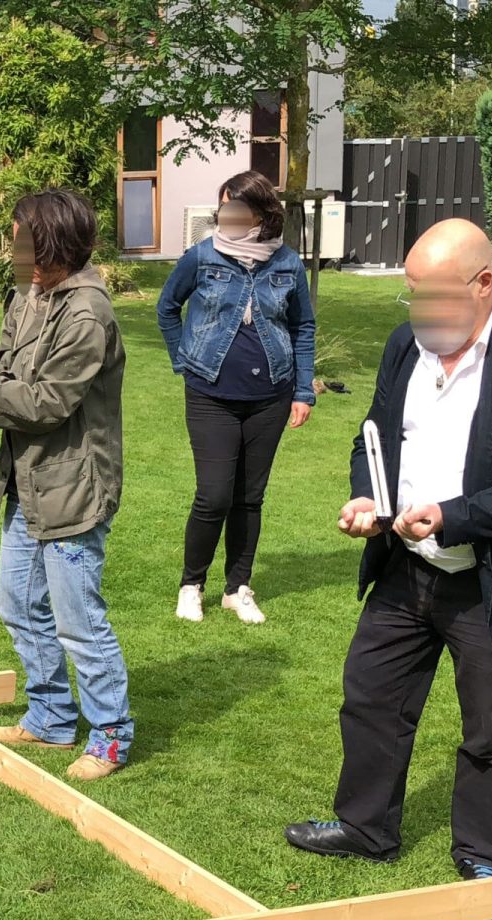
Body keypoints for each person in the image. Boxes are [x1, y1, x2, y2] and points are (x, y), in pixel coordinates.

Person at [283, 219, 492, 880]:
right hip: (404, 568)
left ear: (483, 285)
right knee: (371, 697)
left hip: (491, 581)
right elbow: (374, 437)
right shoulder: (405, 347)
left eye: (432, 294)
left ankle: (479, 855)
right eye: (411, 293)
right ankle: (366, 827)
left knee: (488, 731)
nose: (418, 310)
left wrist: (452, 517)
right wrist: (370, 499)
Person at [0, 189, 133, 781]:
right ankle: (50, 718)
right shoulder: (26, 294)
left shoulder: (88, 313)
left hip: (74, 486)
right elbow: (10, 375)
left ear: (54, 241)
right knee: (18, 605)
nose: (13, 249)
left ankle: (112, 736)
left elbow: (46, 404)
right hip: (26, 479)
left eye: (22, 238)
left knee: (77, 619)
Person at [156, 170, 317, 626]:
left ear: (261, 213)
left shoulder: (286, 264)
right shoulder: (202, 256)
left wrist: (303, 390)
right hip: (210, 392)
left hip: (271, 393)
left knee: (250, 496)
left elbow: (303, 327)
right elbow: (167, 307)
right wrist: (181, 359)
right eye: (222, 206)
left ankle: (237, 588)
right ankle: (192, 585)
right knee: (213, 495)